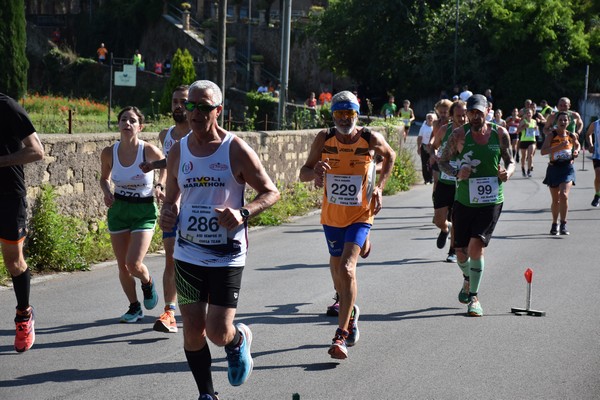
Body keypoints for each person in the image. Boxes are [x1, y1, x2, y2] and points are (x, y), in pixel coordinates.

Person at [159, 80, 280, 399]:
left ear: (218, 110)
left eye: (204, 106)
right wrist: (167, 213)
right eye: (191, 106)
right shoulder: (178, 151)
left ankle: (237, 340)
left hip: (227, 254)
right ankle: (207, 394)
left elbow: (271, 192)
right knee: (192, 330)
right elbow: (171, 199)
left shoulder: (235, 149)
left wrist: (243, 212)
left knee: (216, 331)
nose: (196, 112)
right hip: (187, 255)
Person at [299, 90, 396, 360]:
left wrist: (379, 188)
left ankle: (341, 334)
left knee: (347, 267)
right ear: (333, 116)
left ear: (357, 115)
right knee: (337, 275)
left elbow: (391, 156)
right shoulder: (324, 138)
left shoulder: (369, 138)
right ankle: (350, 308)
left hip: (361, 214)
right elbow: (303, 173)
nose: (344, 119)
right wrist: (315, 173)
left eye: (349, 114)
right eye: (339, 114)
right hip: (332, 216)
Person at [438, 94, 514, 317]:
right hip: (464, 199)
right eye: (471, 112)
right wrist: (456, 172)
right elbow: (442, 161)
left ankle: (474, 298)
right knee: (460, 253)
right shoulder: (459, 135)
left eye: (479, 112)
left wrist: (507, 172)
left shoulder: (500, 133)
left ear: (487, 111)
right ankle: (467, 280)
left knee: (475, 247)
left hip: (491, 199)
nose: (474, 116)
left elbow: (510, 160)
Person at [100, 107, 163, 323]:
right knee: (122, 266)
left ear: (140, 126)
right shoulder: (109, 152)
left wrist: (160, 184)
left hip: (144, 210)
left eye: (132, 120)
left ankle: (147, 282)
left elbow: (166, 165)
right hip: (119, 210)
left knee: (133, 263)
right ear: (118, 124)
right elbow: (103, 178)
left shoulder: (149, 151)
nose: (127, 123)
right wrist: (107, 192)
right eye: (123, 120)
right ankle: (134, 307)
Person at [140, 85, 190, 334]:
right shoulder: (166, 135)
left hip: (196, 205)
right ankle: (170, 311)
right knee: (171, 257)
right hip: (172, 203)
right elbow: (170, 165)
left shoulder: (201, 134)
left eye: (183, 101)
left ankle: (198, 306)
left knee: (193, 261)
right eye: (175, 102)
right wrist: (159, 182)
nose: (178, 106)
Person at [1, 93, 45, 352]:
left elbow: (36, 151)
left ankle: (23, 315)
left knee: (14, 262)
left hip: (7, 196)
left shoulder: (6, 107)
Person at [430, 100, 467, 263]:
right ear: (452, 116)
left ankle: (452, 251)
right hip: (445, 180)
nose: (462, 118)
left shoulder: (470, 132)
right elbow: (433, 145)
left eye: (464, 115)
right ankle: (446, 228)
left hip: (462, 183)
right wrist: (434, 154)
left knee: (456, 218)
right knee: (439, 219)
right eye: (458, 115)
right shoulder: (445, 130)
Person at [540, 111, 580, 235]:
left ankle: (563, 224)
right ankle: (554, 223)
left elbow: (577, 146)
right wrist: (559, 147)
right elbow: (543, 151)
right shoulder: (551, 135)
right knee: (556, 200)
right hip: (554, 168)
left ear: (568, 122)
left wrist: (576, 152)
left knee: (564, 195)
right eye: (560, 120)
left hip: (567, 168)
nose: (563, 122)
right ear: (557, 122)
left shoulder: (571, 135)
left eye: (565, 120)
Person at [516, 108, 538, 177]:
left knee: (530, 155)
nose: (529, 114)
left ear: (532, 114)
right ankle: (523, 169)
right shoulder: (523, 121)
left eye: (530, 113)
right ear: (525, 114)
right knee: (523, 156)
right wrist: (524, 127)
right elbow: (518, 131)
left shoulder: (534, 121)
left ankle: (529, 171)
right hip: (524, 140)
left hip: (532, 140)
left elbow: (536, 132)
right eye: (527, 113)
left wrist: (536, 129)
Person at [417, 112, 436, 185]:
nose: (430, 119)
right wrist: (419, 147)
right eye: (428, 118)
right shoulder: (423, 127)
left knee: (432, 163)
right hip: (424, 147)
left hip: (432, 147)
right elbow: (419, 138)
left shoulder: (435, 127)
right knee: (424, 164)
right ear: (426, 119)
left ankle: (431, 178)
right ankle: (426, 179)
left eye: (431, 118)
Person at [585, 117, 600, 207]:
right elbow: (588, 134)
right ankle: (597, 195)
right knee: (598, 175)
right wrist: (590, 145)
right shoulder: (595, 124)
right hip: (597, 154)